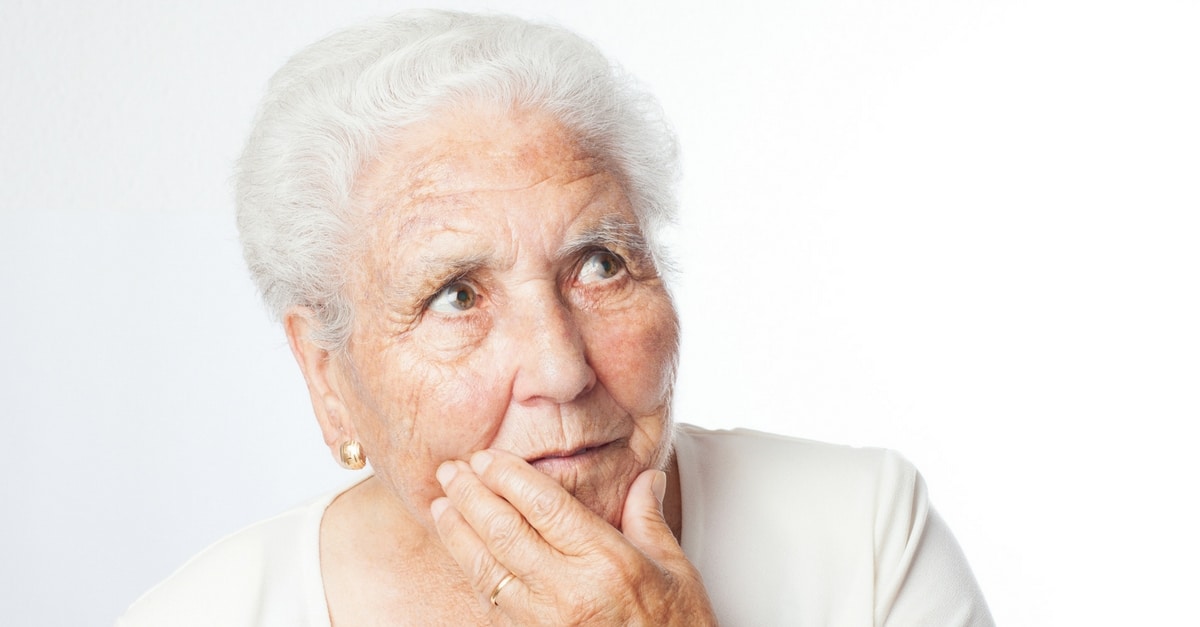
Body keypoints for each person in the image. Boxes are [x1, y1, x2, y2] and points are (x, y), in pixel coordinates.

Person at [118, 9, 993, 626]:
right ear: (328, 376)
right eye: (456, 294)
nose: (561, 368)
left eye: (600, 264)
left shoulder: (863, 535)